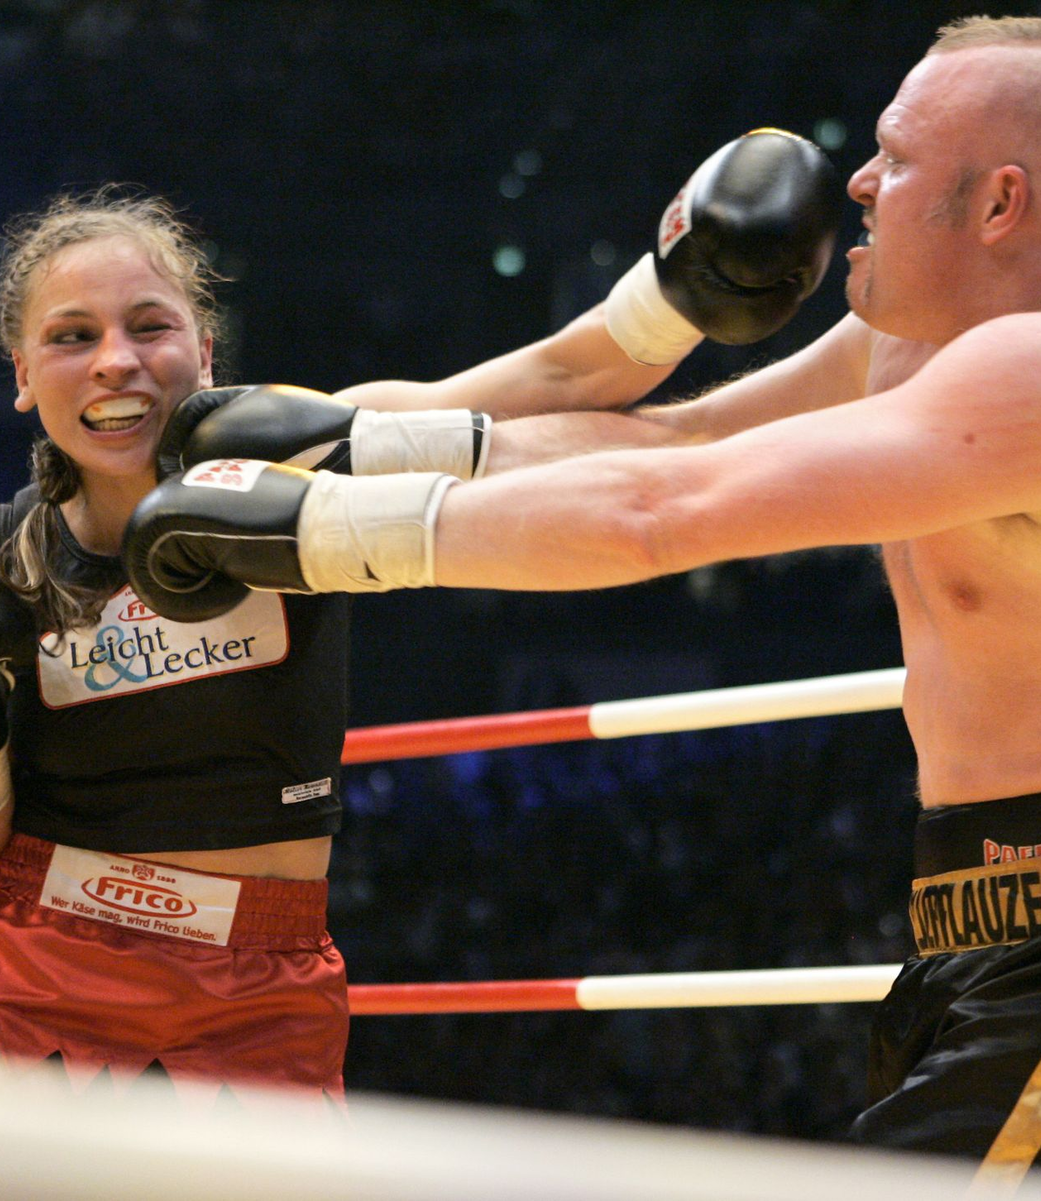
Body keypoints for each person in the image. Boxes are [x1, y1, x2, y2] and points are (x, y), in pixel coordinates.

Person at [127, 14, 1041, 1183]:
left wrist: (326, 535)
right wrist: (362, 445)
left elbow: (665, 506)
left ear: (999, 204)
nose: (855, 179)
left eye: (893, 155)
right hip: (991, 922)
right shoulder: (909, 348)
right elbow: (669, 433)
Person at [0, 132, 835, 1104]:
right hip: (48, 963)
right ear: (21, 371)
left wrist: (683, 292)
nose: (116, 362)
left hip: (260, 978)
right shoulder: (8, 566)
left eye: (150, 325)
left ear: (206, 348)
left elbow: (556, 384)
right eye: (72, 336)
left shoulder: (306, 455)